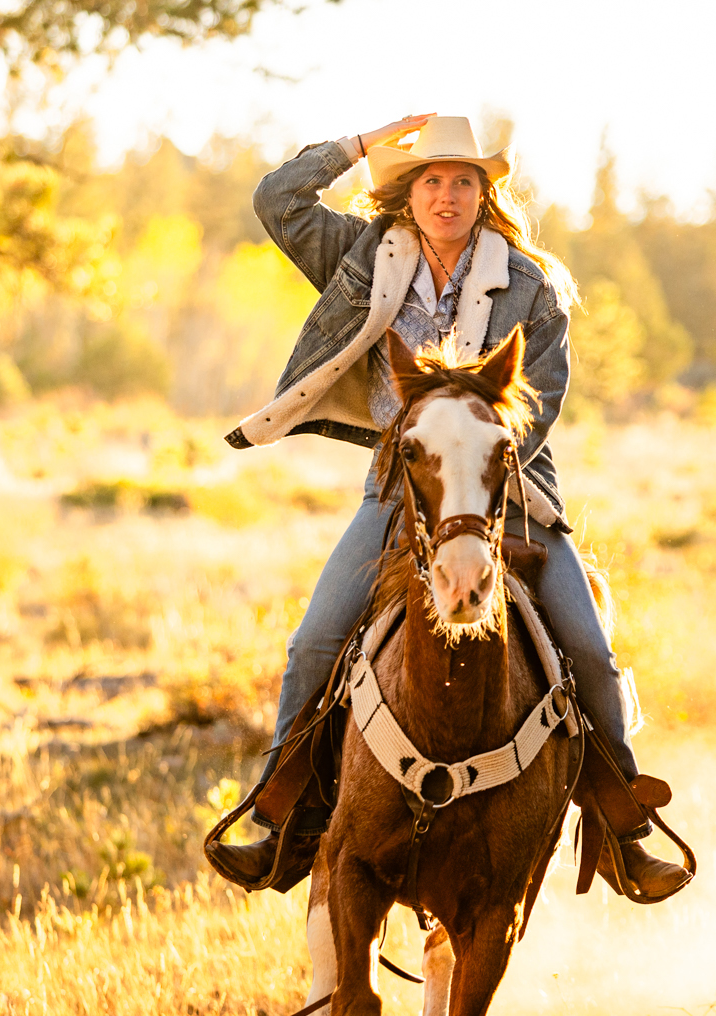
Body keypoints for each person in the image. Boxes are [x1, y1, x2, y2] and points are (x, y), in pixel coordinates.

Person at [208, 114, 691, 903]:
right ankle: (284, 819)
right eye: (431, 179)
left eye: (463, 180)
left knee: (590, 648)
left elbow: (542, 403)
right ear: (407, 191)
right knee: (314, 641)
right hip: (399, 489)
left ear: (483, 192)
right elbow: (277, 198)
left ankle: (620, 827)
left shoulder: (532, 286)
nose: (447, 194)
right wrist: (363, 143)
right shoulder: (364, 255)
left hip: (513, 489)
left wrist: (476, 464)